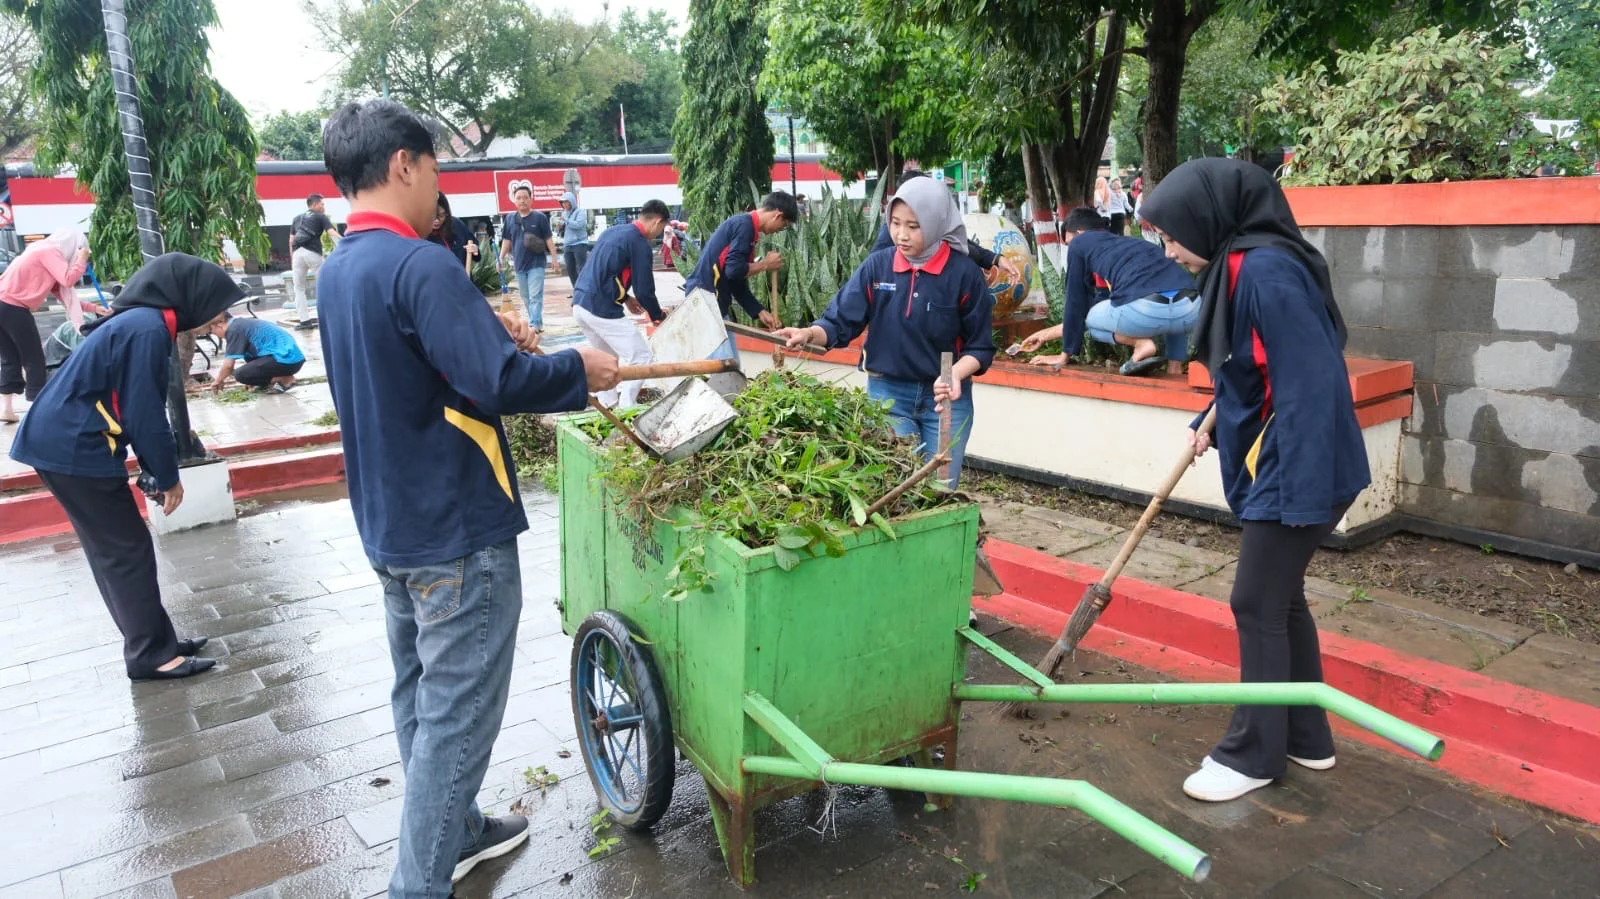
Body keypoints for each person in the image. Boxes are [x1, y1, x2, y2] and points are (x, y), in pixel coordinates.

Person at [315, 98, 618, 899]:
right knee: (455, 715)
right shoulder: (420, 264)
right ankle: (417, 883)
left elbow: (421, 366)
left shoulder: (341, 268)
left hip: (390, 523)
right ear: (404, 164)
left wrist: (487, 334)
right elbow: (500, 382)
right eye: (434, 168)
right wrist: (577, 369)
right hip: (452, 528)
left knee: (420, 691)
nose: (437, 187)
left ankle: (460, 830)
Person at [1139, 157, 1369, 803]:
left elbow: (1311, 382)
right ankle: (1305, 735)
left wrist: (1295, 492)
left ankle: (1253, 755)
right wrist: (1209, 420)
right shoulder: (1238, 265)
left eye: (1172, 235)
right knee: (1282, 598)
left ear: (1206, 220)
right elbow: (1253, 367)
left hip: (1301, 463)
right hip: (1298, 457)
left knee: (1255, 602)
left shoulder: (1263, 272)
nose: (1169, 250)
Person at [8, 253, 239, 680]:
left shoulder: (142, 322)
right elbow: (144, 412)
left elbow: (134, 406)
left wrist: (155, 468)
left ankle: (155, 642)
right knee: (126, 552)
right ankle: (151, 655)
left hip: (60, 442)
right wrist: (167, 476)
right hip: (73, 447)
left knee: (115, 551)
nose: (213, 316)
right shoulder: (146, 328)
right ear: (188, 297)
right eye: (212, 304)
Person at [776, 178, 995, 489]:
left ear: (936, 223)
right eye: (895, 223)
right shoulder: (878, 267)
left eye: (913, 226)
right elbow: (839, 321)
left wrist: (955, 374)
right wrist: (809, 333)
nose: (901, 234)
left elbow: (980, 347)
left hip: (944, 400)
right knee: (897, 488)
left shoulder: (964, 274)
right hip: (888, 396)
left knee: (940, 491)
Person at [1020, 207, 1199, 377]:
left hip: (1147, 311)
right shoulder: (1132, 246)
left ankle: (1141, 344)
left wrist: (1064, 355)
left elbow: (1077, 303)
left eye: (1069, 243)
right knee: (1173, 295)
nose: (1070, 248)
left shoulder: (1080, 243)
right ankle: (1175, 368)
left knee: (1091, 318)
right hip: (1192, 310)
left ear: (1079, 233)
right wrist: (1045, 335)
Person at [571, 200, 672, 408]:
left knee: (606, 360)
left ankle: (608, 406)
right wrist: (658, 316)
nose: (659, 232)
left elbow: (604, 271)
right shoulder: (639, 243)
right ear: (657, 221)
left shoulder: (613, 232)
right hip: (600, 307)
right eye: (662, 228)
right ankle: (627, 407)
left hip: (580, 303)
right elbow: (644, 290)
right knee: (641, 357)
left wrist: (625, 298)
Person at [0, 231, 100, 422]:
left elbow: (65, 296)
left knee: (10, 358)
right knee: (34, 359)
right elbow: (68, 279)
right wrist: (82, 259)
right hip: (13, 307)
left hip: (3, 303)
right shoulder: (49, 251)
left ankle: (6, 409)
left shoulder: (40, 252)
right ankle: (37, 410)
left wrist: (94, 308)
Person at [870, 171, 1025, 287]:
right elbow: (875, 272)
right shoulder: (889, 237)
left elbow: (964, 245)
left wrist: (996, 259)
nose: (903, 235)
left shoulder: (935, 226)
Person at [681, 192, 796, 333]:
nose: (779, 231)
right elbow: (734, 270)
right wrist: (766, 264)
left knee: (729, 348)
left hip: (714, 304)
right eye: (783, 225)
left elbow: (735, 280)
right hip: (705, 302)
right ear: (778, 215)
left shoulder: (747, 227)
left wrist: (759, 311)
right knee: (721, 348)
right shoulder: (744, 226)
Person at [498, 185, 553, 330]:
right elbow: (506, 240)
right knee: (526, 297)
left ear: (530, 199)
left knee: (535, 295)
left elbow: (548, 239)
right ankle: (537, 322)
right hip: (519, 264)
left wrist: (554, 258)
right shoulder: (510, 218)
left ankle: (534, 325)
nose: (522, 201)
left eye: (525, 198)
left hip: (537, 263)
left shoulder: (540, 217)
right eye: (519, 198)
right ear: (514, 200)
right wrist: (500, 258)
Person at [206, 312, 305, 392]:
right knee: (247, 370)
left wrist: (218, 381)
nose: (214, 333)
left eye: (211, 330)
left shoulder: (234, 330)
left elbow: (228, 366)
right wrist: (252, 379)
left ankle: (285, 379)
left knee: (240, 374)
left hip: (285, 360)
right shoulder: (241, 324)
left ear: (220, 324)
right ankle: (274, 381)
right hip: (293, 359)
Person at [290, 194, 342, 331]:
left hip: (297, 254)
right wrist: (345, 243)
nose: (323, 207)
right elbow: (331, 233)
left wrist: (293, 257)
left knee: (298, 288)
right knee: (323, 285)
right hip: (313, 253)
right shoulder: (321, 217)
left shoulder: (297, 218)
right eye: (322, 204)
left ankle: (304, 321)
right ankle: (328, 318)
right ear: (314, 205)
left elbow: (291, 240)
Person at [426, 192, 478, 274]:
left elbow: (474, 247)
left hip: (462, 277)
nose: (437, 220)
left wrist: (475, 249)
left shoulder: (456, 225)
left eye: (441, 215)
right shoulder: (420, 233)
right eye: (433, 216)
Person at [557, 191, 590, 284]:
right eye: (562, 202)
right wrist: (559, 226)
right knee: (570, 268)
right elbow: (564, 226)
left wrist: (566, 221)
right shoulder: (564, 213)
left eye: (566, 202)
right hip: (568, 244)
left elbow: (579, 225)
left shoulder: (580, 212)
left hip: (579, 243)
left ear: (571, 201)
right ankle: (576, 288)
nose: (564, 204)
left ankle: (585, 287)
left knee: (582, 267)